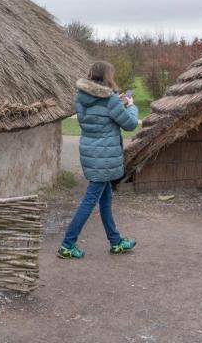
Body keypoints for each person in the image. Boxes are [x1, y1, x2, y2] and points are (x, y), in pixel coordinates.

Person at [57, 61, 140, 259]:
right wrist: (131, 106)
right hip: (105, 156)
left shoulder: (82, 97)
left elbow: (99, 115)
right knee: (90, 199)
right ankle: (67, 244)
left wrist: (116, 102)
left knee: (105, 198)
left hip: (91, 153)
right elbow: (129, 124)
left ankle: (116, 241)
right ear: (106, 77)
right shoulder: (110, 100)